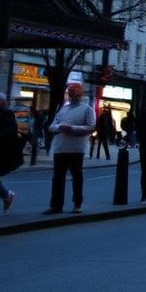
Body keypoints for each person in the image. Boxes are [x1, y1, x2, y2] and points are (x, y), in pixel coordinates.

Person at [45, 83, 95, 214]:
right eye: (71, 93)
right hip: (60, 147)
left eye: (76, 94)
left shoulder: (87, 109)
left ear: (80, 95)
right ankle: (56, 205)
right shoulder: (63, 109)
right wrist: (59, 127)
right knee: (57, 178)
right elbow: (52, 126)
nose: (74, 96)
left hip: (76, 148)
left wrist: (72, 128)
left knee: (76, 176)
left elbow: (91, 127)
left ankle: (77, 203)